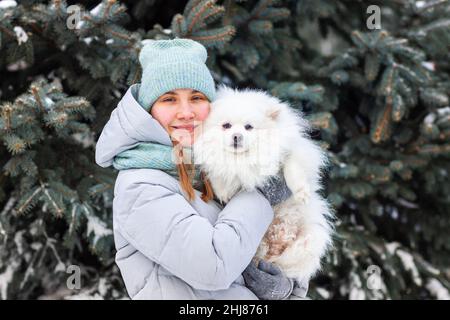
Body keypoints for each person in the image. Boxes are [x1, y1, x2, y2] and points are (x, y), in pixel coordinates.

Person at [95, 38, 305, 299]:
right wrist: (259, 195)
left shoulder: (217, 168)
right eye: (169, 99)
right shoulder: (140, 186)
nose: (186, 112)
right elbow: (213, 267)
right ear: (150, 110)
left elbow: (285, 246)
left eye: (196, 97)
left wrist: (284, 288)